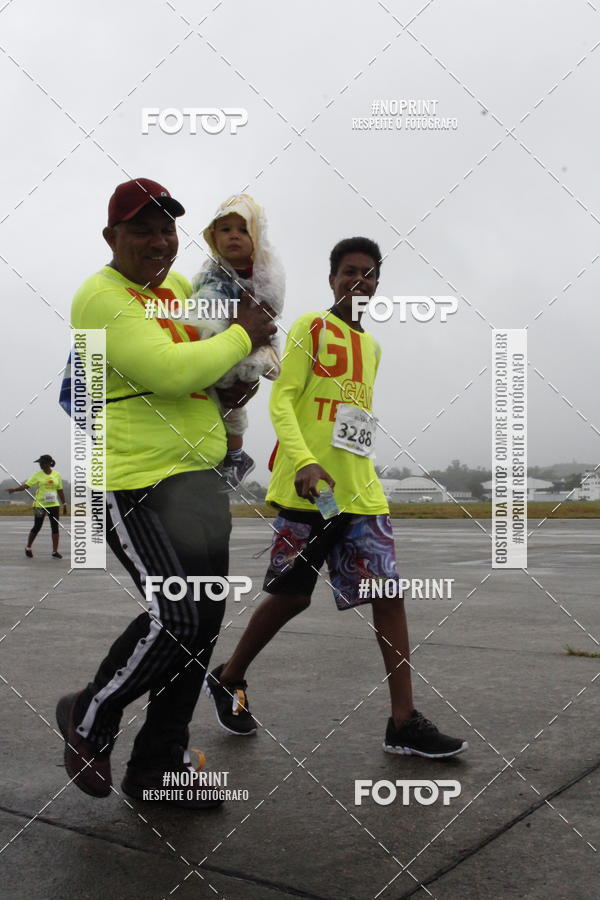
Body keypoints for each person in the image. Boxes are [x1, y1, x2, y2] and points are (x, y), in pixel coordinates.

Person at [55, 177, 276, 807]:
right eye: (143, 229)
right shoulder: (101, 297)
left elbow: (216, 332)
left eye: (167, 228)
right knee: (176, 614)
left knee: (200, 629)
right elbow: (171, 368)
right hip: (133, 482)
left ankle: (158, 769)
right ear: (112, 237)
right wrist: (242, 335)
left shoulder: (177, 290)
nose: (159, 242)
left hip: (199, 480)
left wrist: (238, 368)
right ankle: (89, 716)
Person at [206, 237, 468, 759]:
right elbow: (284, 402)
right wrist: (304, 461)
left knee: (389, 596)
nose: (360, 281)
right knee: (293, 595)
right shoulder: (310, 327)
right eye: (350, 271)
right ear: (332, 278)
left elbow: (355, 424)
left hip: (360, 493)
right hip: (309, 491)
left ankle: (403, 722)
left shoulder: (372, 348)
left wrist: (359, 473)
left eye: (370, 275)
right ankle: (229, 676)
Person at [187, 193, 284, 489]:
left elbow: (271, 310)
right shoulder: (211, 272)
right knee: (216, 398)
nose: (234, 237)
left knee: (233, 404)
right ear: (213, 235)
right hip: (215, 344)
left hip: (250, 344)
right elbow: (200, 307)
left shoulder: (266, 273)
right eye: (225, 229)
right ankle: (230, 455)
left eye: (243, 230)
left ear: (257, 237)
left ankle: (235, 454)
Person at [9, 454, 67, 558]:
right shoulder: (37, 475)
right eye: (39, 463)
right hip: (39, 505)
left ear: (48, 463)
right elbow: (26, 486)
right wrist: (14, 490)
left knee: (55, 527)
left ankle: (55, 552)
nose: (40, 465)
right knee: (37, 526)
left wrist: (64, 504)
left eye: (41, 463)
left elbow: (60, 490)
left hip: (54, 505)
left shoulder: (57, 474)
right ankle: (28, 547)